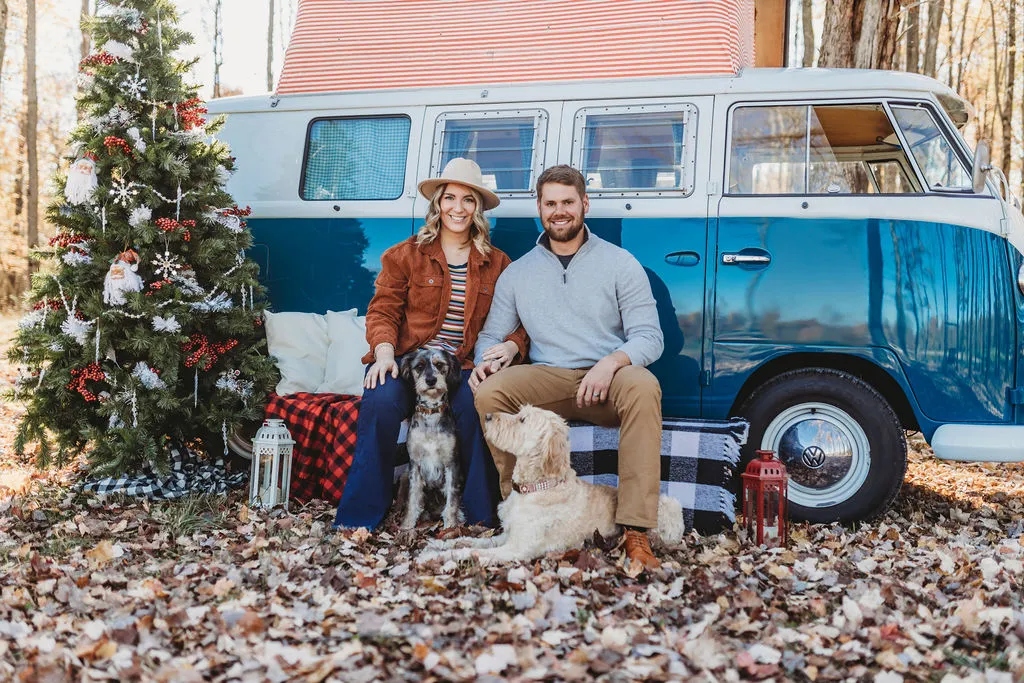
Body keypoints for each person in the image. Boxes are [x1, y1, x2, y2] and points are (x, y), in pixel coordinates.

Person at [470, 164, 666, 569]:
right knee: (491, 392)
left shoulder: (620, 263)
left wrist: (611, 363)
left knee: (644, 386)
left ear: (585, 204)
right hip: (550, 378)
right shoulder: (518, 272)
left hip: (610, 379)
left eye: (568, 202)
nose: (559, 211)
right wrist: (487, 360)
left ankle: (635, 531)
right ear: (539, 209)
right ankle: (518, 508)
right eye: (550, 203)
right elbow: (490, 337)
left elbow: (650, 336)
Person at [335, 158, 527, 530]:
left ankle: (477, 518)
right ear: (437, 204)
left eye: (468, 200)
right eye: (450, 198)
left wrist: (512, 346)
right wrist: (385, 353)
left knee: (474, 409)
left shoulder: (498, 263)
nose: (458, 208)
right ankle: (359, 519)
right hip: (407, 361)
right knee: (380, 400)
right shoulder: (403, 255)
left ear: (478, 208)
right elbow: (382, 312)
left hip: (463, 366)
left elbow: (523, 322)